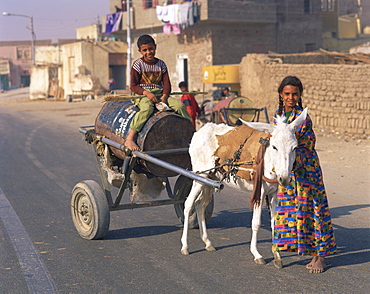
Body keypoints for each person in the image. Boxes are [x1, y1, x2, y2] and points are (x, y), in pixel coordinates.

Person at [272, 75, 337, 273]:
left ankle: (321, 257)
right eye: (287, 94)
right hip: (289, 172)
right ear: (281, 95)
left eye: (295, 94)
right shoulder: (278, 115)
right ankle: (306, 250)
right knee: (293, 211)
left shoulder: (303, 117)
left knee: (314, 210)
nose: (291, 97)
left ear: (300, 96)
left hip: (307, 170)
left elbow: (308, 145)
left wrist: (292, 157)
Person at [126, 34, 191, 151]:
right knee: (147, 109)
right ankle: (130, 138)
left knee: (180, 106)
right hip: (142, 94)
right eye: (144, 50)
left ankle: (192, 131)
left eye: (150, 49)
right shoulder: (137, 65)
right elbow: (133, 86)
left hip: (160, 93)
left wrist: (165, 97)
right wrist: (146, 93)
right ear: (140, 51)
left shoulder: (161, 64)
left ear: (155, 47)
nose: (148, 52)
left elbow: (167, 84)